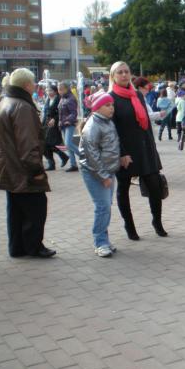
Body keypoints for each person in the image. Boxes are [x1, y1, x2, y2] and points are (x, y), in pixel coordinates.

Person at [0, 68, 56, 258]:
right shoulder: (23, 107)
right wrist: (36, 170)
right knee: (36, 209)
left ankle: (17, 247)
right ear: (27, 85)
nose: (35, 85)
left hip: (9, 168)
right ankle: (33, 247)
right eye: (33, 82)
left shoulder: (5, 102)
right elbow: (28, 143)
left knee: (16, 211)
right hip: (22, 170)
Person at [108, 61, 167, 240]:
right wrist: (121, 153)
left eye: (126, 71)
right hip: (125, 150)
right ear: (113, 76)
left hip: (145, 147)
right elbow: (113, 129)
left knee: (155, 187)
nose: (124, 75)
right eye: (120, 72)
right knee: (123, 189)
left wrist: (152, 147)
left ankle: (157, 221)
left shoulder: (137, 95)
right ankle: (129, 226)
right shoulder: (111, 98)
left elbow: (146, 123)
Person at [78, 91, 120, 258]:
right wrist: (103, 176)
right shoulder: (93, 125)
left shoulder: (107, 122)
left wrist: (120, 159)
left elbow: (112, 145)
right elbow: (91, 154)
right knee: (102, 207)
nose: (111, 108)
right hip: (95, 172)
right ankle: (100, 242)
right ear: (97, 108)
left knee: (106, 206)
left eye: (112, 105)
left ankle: (104, 238)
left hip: (108, 171)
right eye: (107, 105)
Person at [42, 85, 69, 171]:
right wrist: (42, 125)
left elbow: (61, 112)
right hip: (47, 124)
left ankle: (62, 157)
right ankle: (54, 162)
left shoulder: (58, 99)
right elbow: (45, 113)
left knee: (49, 143)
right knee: (45, 144)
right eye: (47, 90)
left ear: (55, 91)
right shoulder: (48, 99)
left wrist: (54, 119)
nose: (48, 92)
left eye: (50, 90)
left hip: (55, 125)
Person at [58, 80, 80, 172]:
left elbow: (74, 113)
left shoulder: (71, 98)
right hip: (63, 124)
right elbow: (60, 112)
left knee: (68, 143)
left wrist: (68, 120)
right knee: (68, 145)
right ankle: (73, 164)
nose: (59, 91)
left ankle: (85, 157)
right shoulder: (62, 98)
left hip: (69, 124)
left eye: (61, 89)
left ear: (67, 89)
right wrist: (59, 121)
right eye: (59, 89)